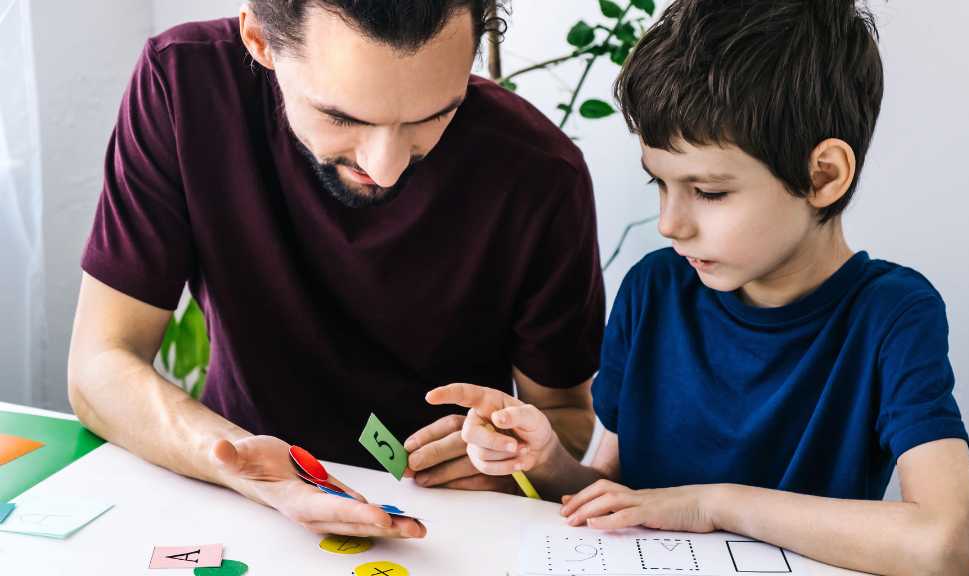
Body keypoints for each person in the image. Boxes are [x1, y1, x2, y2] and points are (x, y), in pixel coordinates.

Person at [433, 1, 969, 573]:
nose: (670, 224)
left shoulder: (893, 315)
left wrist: (713, 504)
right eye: (659, 184)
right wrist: (547, 462)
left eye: (710, 192)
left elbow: (944, 544)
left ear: (823, 177)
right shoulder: (653, 290)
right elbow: (619, 496)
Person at [68, 0, 604, 540]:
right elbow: (100, 365)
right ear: (258, 38)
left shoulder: (539, 173)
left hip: (447, 525)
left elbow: (565, 414)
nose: (386, 166)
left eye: (433, 115)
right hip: (233, 501)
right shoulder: (183, 83)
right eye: (343, 117)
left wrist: (516, 457)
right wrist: (242, 467)